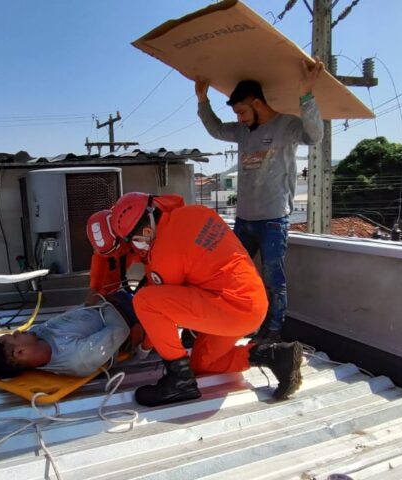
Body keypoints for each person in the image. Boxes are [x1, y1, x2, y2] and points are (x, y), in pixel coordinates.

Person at [109, 192, 305, 407]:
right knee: (202, 363)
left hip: (230, 309)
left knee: (145, 300)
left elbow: (161, 306)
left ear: (146, 232)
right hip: (253, 303)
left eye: (135, 241)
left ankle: (179, 381)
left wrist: (144, 348)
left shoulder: (164, 253)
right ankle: (274, 356)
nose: (137, 247)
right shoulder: (195, 212)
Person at [195, 58, 325, 344]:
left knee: (272, 278)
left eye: (242, 112)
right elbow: (216, 129)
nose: (239, 119)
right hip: (244, 219)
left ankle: (274, 330)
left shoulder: (286, 126)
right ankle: (223, 322)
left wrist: (306, 94)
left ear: (256, 102)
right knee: (226, 273)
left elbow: (315, 136)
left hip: (273, 219)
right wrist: (203, 101)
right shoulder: (243, 132)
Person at [0, 290, 138, 379]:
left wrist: (89, 303)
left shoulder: (36, 336)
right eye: (15, 336)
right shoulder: (76, 358)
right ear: (20, 352)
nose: (18, 331)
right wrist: (104, 303)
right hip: (131, 313)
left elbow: (73, 316)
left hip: (108, 299)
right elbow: (120, 329)